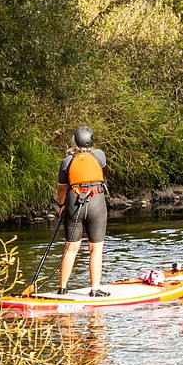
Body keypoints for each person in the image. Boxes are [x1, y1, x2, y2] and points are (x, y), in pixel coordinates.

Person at [57, 125, 110, 296]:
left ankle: (63, 288)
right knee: (96, 249)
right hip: (96, 201)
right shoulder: (99, 155)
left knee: (70, 248)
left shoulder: (67, 161)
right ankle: (95, 289)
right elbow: (99, 165)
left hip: (74, 202)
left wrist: (62, 206)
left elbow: (62, 189)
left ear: (74, 141)